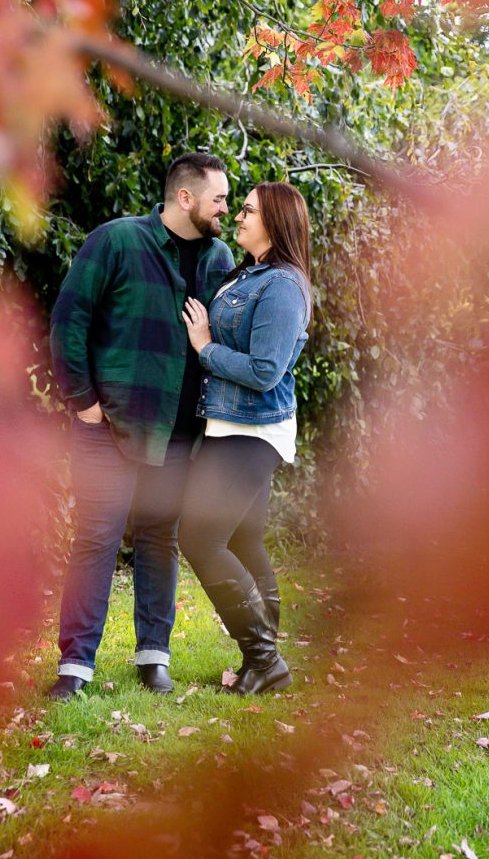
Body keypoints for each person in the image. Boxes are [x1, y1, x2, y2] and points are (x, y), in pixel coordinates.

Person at [47, 153, 234, 699]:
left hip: (178, 435)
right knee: (96, 540)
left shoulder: (221, 259)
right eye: (219, 198)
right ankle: (75, 666)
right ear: (185, 198)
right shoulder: (117, 241)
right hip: (109, 430)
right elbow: (68, 322)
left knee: (158, 540)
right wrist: (83, 402)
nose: (226, 208)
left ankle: (154, 658)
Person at [180, 181, 312, 696]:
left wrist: (205, 347)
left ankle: (265, 660)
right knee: (243, 540)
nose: (238, 216)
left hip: (252, 427)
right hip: (231, 422)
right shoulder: (250, 274)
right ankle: (261, 663)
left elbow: (264, 371)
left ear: (274, 222)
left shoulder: (283, 286)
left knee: (199, 538)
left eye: (249, 211)